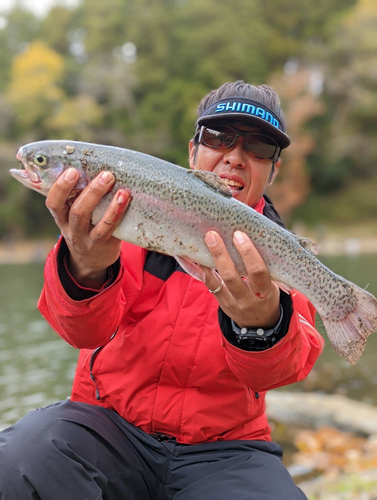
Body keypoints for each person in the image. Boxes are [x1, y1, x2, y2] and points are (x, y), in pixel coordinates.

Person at [0, 81, 323, 499]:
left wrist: (261, 325)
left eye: (258, 148)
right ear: (193, 150)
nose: (235, 157)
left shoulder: (277, 253)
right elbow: (82, 333)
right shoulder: (120, 220)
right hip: (105, 425)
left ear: (273, 170)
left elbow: (282, 371)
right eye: (219, 137)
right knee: (19, 463)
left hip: (226, 449)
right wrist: (85, 263)